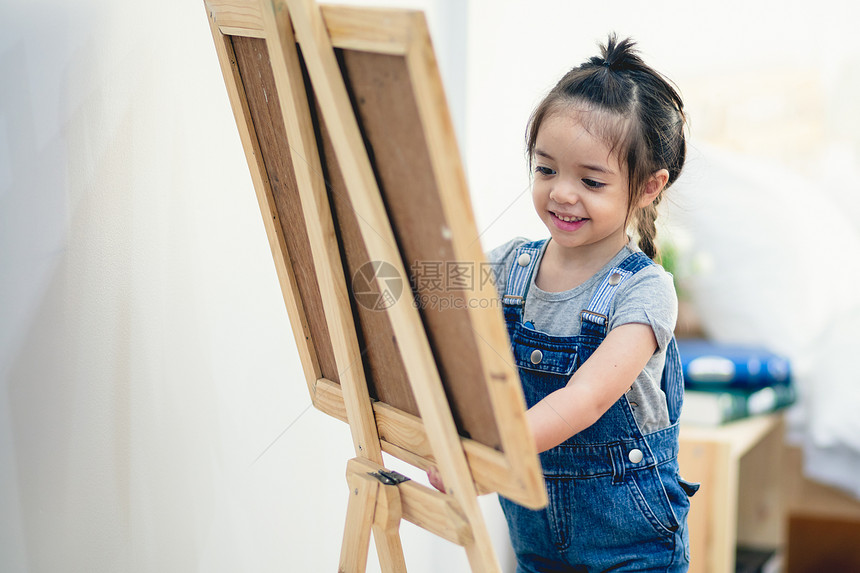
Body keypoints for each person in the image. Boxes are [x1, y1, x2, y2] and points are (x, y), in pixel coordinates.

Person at [428, 34, 699, 571]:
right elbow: (437, 323)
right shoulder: (508, 267)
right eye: (546, 169)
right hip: (534, 541)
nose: (562, 193)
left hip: (632, 545)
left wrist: (490, 452)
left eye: (591, 181)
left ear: (648, 187)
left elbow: (586, 400)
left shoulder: (644, 291)